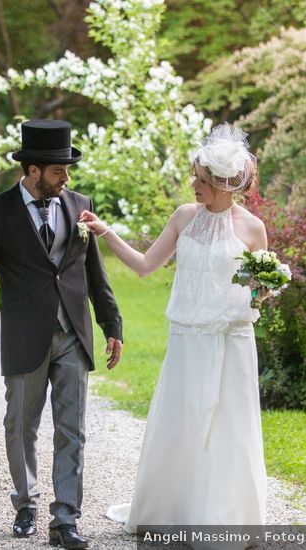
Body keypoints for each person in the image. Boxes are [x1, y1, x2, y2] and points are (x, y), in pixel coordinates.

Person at [81, 123, 268, 548]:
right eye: (195, 179)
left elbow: (257, 292)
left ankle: (224, 519)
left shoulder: (253, 229)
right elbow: (146, 265)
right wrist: (107, 232)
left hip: (232, 341)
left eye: (201, 181)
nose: (194, 186)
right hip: (187, 339)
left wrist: (265, 288)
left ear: (223, 183)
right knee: (181, 423)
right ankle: (176, 510)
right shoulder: (184, 217)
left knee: (228, 428)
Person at [0, 119, 124, 549]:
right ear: (32, 171)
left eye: (67, 170)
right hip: (24, 334)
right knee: (20, 425)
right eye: (57, 171)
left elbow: (94, 273)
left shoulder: (79, 204)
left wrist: (112, 325)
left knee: (73, 429)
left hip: (73, 334)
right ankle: (26, 503)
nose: (66, 178)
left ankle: (65, 518)